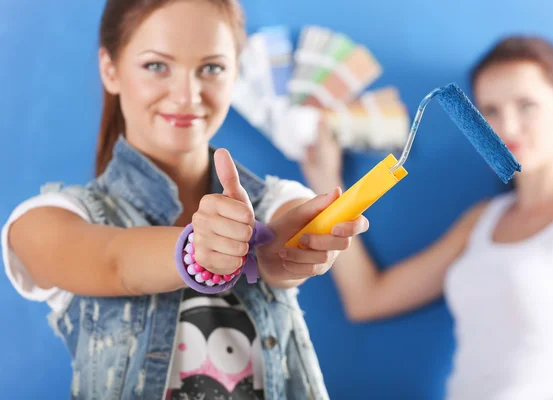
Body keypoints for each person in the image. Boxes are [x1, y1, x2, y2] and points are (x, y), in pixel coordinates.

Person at [1, 1, 369, 399]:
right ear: (110, 68)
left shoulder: (276, 202)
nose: (187, 95)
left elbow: (284, 241)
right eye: (156, 65)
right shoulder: (45, 222)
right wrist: (198, 251)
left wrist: (285, 252)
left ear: (236, 73)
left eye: (211, 68)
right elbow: (114, 263)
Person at [299, 36, 553, 400]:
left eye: (526, 105)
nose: (508, 127)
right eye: (490, 110)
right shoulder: (483, 221)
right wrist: (326, 182)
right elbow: (368, 298)